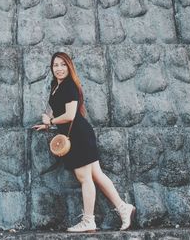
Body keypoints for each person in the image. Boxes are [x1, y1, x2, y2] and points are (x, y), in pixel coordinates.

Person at [32, 52, 136, 233]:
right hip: (79, 134)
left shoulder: (70, 86)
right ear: (51, 68)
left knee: (84, 178)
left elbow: (70, 115)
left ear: (69, 66)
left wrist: (51, 121)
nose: (59, 68)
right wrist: (46, 120)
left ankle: (89, 220)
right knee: (97, 175)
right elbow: (52, 107)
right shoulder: (56, 85)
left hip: (78, 136)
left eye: (63, 65)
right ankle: (123, 208)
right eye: (55, 65)